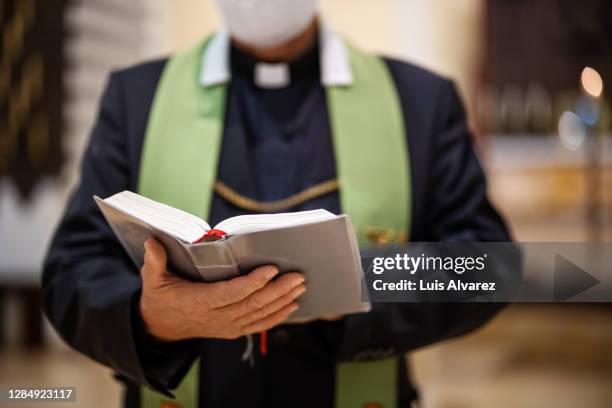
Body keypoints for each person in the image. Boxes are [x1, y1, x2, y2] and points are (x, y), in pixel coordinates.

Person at [42, 1, 513, 407]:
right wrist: (148, 317)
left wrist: (360, 281)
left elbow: (489, 265)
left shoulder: (419, 101)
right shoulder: (137, 98)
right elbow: (73, 268)